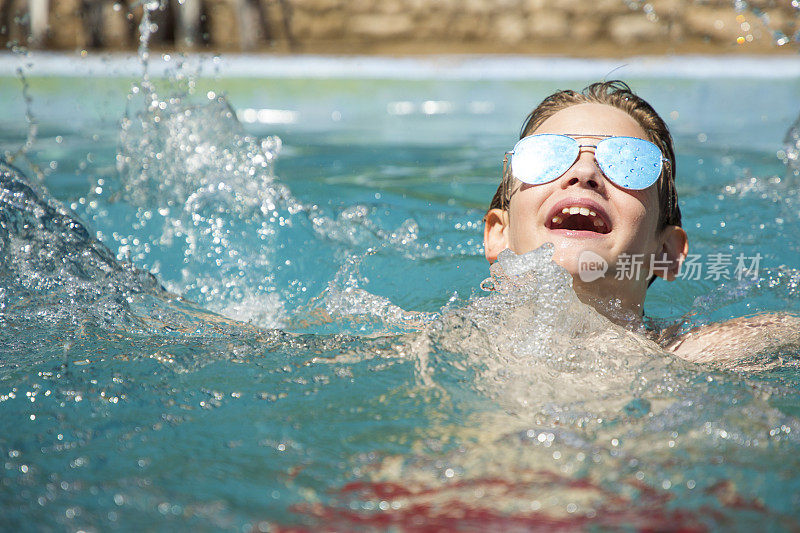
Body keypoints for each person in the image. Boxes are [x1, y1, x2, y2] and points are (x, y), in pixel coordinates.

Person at [483, 80, 800, 366]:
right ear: (499, 232)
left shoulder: (709, 354)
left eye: (628, 162)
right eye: (546, 157)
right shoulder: (435, 342)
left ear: (667, 252)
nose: (584, 174)